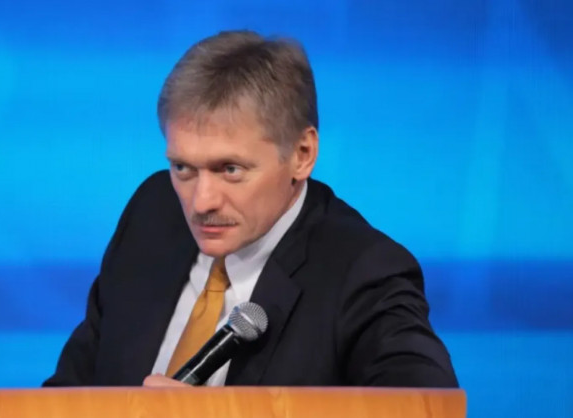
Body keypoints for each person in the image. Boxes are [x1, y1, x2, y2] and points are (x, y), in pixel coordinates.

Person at [43, 30, 458, 388]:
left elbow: (423, 406)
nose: (201, 202)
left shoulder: (364, 273)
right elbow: (67, 394)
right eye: (183, 168)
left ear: (302, 154)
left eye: (230, 169)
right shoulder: (152, 213)